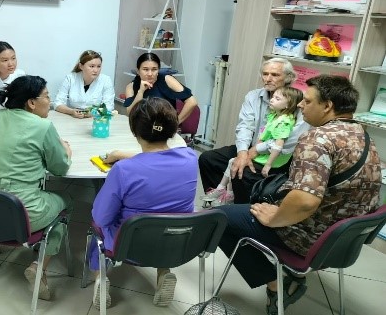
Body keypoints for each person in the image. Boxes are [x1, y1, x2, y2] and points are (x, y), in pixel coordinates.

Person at [216, 75, 382, 315]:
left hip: (311, 237)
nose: (301, 105)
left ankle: (276, 286)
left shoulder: (317, 139)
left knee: (220, 217)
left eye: (308, 101)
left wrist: (275, 218)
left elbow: (305, 202)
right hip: (344, 239)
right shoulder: (363, 135)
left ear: (328, 106)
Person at [0, 75, 72, 301]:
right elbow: (60, 168)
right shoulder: (43, 126)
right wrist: (65, 150)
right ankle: (39, 267)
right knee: (65, 204)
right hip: (19, 213)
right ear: (31, 103)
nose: (50, 102)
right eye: (47, 97)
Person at [89, 97, 198, 309]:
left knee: (97, 229)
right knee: (167, 219)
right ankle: (164, 273)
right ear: (172, 129)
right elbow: (161, 157)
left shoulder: (123, 170)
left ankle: (100, 278)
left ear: (134, 131)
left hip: (129, 246)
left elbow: (101, 217)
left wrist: (119, 156)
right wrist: (123, 155)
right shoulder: (190, 158)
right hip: (176, 242)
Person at [199, 58, 310, 204]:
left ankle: (239, 209)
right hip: (252, 147)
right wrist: (243, 153)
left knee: (243, 173)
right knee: (208, 159)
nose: (268, 79)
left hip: (276, 157)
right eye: (265, 74)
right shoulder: (253, 96)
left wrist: (257, 149)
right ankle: (221, 200)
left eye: (275, 75)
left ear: (288, 78)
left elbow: (292, 140)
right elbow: (245, 126)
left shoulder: (298, 101)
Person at [124, 53, 197, 124]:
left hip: (165, 127)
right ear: (138, 71)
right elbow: (130, 113)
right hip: (141, 127)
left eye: (154, 69)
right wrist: (141, 91)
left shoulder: (167, 79)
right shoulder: (131, 86)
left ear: (158, 70)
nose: (150, 74)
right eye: (145, 69)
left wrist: (176, 123)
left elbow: (192, 102)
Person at [54, 50, 115, 118]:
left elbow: (109, 106)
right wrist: (72, 111)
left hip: (95, 119)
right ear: (81, 66)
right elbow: (57, 103)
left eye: (98, 66)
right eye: (92, 66)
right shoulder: (70, 78)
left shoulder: (106, 80)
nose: (96, 70)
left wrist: (92, 113)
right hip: (72, 118)